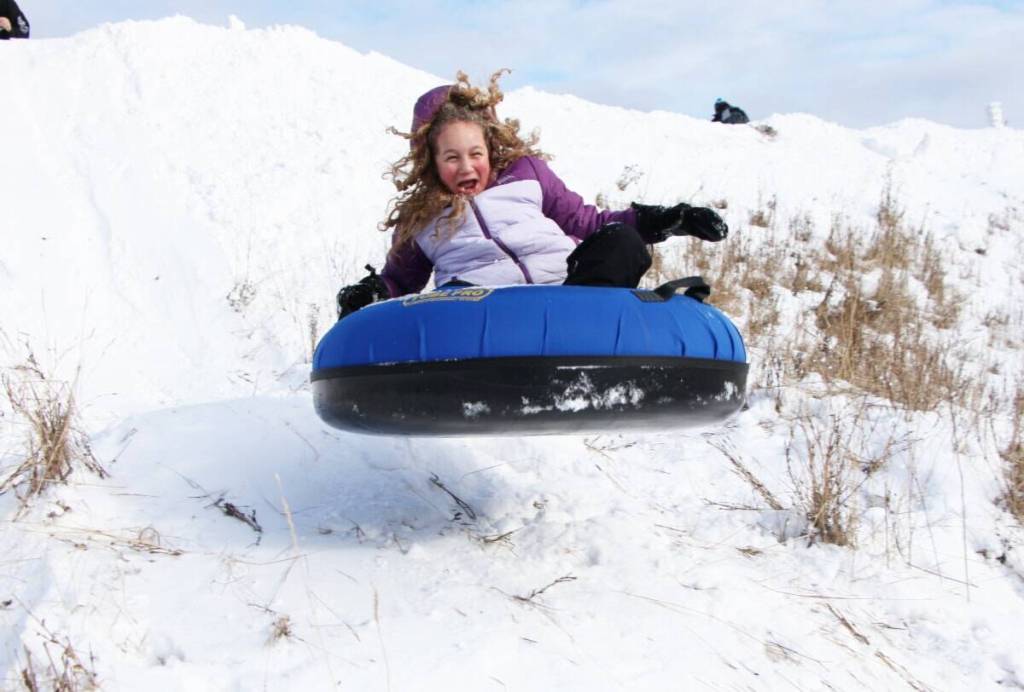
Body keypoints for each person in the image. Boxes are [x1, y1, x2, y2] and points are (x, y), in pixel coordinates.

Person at [337, 71, 728, 319]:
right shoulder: (418, 217)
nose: (467, 167)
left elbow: (588, 223)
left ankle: (589, 332)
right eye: (451, 157)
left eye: (475, 154)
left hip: (565, 296)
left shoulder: (527, 174)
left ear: (490, 148)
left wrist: (668, 219)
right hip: (483, 311)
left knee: (620, 242)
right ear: (432, 161)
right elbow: (401, 281)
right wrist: (371, 292)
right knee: (450, 305)